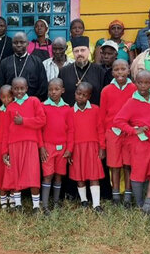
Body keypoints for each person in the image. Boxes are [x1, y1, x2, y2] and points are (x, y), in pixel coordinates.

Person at [113, 71, 150, 215]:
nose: (143, 86)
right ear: (135, 83)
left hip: (149, 143)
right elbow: (118, 121)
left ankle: (147, 205)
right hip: (137, 142)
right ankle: (141, 205)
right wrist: (134, 130)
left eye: (146, 83)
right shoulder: (132, 101)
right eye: (140, 82)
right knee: (138, 173)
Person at [1, 77, 46, 213]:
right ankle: (18, 204)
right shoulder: (11, 107)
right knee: (16, 174)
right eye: (16, 88)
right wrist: (4, 151)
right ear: (12, 90)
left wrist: (24, 121)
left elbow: (42, 121)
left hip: (30, 144)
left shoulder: (34, 101)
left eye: (22, 88)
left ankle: (36, 206)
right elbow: (5, 132)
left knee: (32, 174)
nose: (19, 91)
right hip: (14, 145)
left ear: (27, 88)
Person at [99, 59, 137, 207]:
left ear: (129, 70)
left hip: (129, 132)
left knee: (128, 164)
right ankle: (115, 196)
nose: (120, 73)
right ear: (112, 72)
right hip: (112, 132)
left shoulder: (134, 88)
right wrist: (102, 141)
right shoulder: (106, 90)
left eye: (123, 69)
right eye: (116, 70)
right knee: (114, 165)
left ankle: (127, 196)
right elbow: (102, 117)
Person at [69, 82, 105, 213]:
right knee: (80, 175)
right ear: (75, 93)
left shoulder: (95, 109)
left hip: (92, 147)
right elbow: (70, 132)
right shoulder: (70, 111)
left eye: (84, 95)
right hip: (77, 148)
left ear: (89, 96)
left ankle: (96, 204)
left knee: (93, 175)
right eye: (78, 93)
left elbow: (100, 129)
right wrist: (70, 150)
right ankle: (84, 200)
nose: (80, 97)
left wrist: (102, 147)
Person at [40, 78, 75, 212]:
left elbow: (71, 130)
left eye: (56, 89)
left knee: (59, 175)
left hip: (63, 147)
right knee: (48, 175)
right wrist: (41, 147)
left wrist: (70, 148)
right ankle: (45, 205)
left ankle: (55, 202)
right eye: (50, 90)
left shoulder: (67, 109)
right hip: (48, 147)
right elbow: (39, 129)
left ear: (63, 90)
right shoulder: (43, 106)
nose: (53, 92)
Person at [0, 32, 48, 101]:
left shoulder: (37, 61)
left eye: (22, 42)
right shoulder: (4, 62)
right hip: (10, 103)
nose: (18, 45)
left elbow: (43, 85)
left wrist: (34, 101)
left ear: (27, 43)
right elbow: (1, 85)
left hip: (31, 103)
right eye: (15, 43)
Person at [58, 36, 105, 106]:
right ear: (73, 53)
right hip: (70, 113)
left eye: (83, 50)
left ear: (88, 50)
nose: (79, 53)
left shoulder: (100, 71)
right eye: (76, 51)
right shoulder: (64, 72)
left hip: (93, 113)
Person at [0, 85, 14, 210]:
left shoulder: (15, 110)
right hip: (0, 144)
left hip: (13, 145)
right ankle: (3, 197)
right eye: (3, 97)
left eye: (9, 97)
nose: (6, 100)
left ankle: (12, 197)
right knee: (2, 171)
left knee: (12, 171)